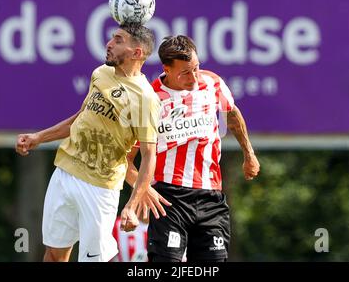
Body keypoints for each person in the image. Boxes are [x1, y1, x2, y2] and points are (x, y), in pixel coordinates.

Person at [15, 22, 170, 262]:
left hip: (99, 187)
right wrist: (39, 137)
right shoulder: (101, 74)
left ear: (137, 52)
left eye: (118, 40)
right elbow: (80, 118)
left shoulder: (146, 98)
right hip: (65, 172)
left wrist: (131, 205)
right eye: (112, 38)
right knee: (55, 255)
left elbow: (149, 155)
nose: (109, 44)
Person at [126, 35, 260, 262]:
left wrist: (249, 154)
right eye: (185, 73)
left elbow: (232, 114)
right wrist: (143, 189)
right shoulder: (149, 100)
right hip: (169, 198)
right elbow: (125, 160)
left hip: (211, 196)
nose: (194, 78)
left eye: (196, 68)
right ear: (166, 69)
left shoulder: (212, 83)